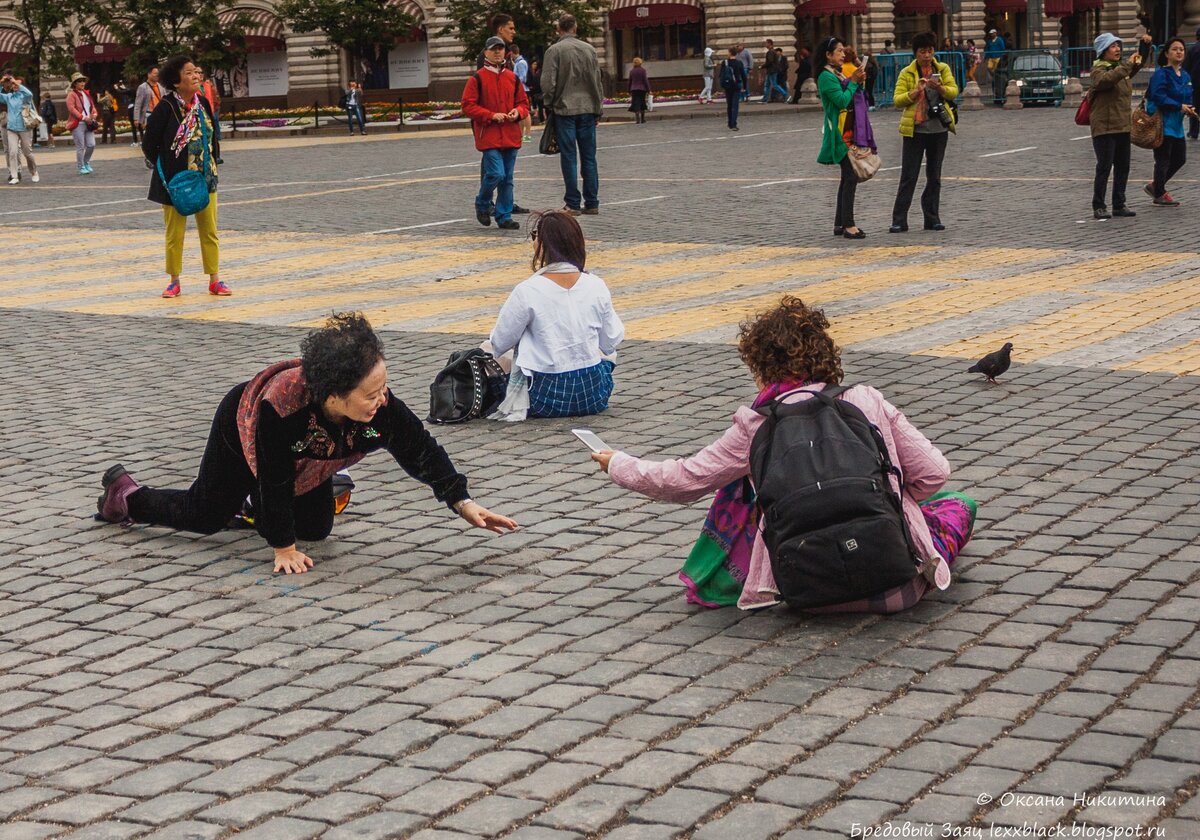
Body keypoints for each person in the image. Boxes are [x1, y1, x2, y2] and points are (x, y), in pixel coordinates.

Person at [589, 296, 976, 613]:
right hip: (896, 588)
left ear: (761, 365)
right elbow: (934, 472)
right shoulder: (864, 399)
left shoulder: (756, 425)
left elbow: (683, 481)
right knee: (958, 504)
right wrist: (890, 495)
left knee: (741, 482)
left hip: (806, 593)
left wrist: (615, 462)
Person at [96, 312, 517, 575]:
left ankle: (248, 510)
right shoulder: (283, 411)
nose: (382, 400)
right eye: (370, 394)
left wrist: (463, 502)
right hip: (242, 433)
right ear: (333, 396)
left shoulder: (379, 407)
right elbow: (275, 478)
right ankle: (126, 496)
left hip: (312, 458)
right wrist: (282, 547)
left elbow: (420, 449)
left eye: (383, 388)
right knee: (204, 515)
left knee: (315, 530)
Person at [487, 210, 624, 420]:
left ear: (544, 244)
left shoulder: (528, 290)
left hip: (545, 398)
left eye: (535, 236)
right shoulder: (596, 285)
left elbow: (500, 342)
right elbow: (610, 341)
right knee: (603, 351)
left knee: (492, 349)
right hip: (594, 395)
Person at [143, 54, 230, 298]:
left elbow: (212, 135)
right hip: (176, 180)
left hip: (205, 176)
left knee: (209, 230)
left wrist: (212, 163)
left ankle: (214, 278)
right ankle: (174, 280)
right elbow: (149, 144)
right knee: (175, 233)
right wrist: (168, 166)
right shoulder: (166, 107)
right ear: (176, 80)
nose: (196, 76)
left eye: (197, 72)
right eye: (189, 72)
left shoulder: (202, 102)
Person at [890, 31, 958, 233]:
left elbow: (955, 91)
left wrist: (941, 89)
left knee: (934, 176)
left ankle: (932, 218)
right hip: (915, 130)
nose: (926, 55)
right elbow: (897, 100)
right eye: (922, 51)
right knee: (909, 176)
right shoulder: (907, 73)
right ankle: (899, 219)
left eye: (929, 51)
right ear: (915, 53)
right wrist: (915, 91)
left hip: (938, 128)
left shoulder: (942, 68)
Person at [461, 36, 529, 232]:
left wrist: (518, 112)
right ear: (486, 52)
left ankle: (504, 216)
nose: (497, 52)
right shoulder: (477, 79)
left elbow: (523, 103)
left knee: (507, 179)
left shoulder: (512, 77)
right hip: (489, 135)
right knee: (496, 174)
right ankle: (482, 204)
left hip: (510, 134)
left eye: (500, 49)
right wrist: (490, 115)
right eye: (493, 49)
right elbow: (468, 105)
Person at [542, 14, 604, 216]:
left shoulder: (554, 51)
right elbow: (597, 82)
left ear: (558, 29)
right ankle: (592, 202)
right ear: (575, 28)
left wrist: (548, 103)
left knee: (569, 157)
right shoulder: (590, 49)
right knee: (589, 157)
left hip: (564, 110)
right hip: (588, 109)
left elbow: (548, 83)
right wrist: (598, 108)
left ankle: (573, 203)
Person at [1089, 32, 1153, 220]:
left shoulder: (1120, 69)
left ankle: (1119, 203)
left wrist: (1144, 47)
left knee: (1123, 167)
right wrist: (1126, 64)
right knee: (1104, 167)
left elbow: (1136, 64)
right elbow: (1105, 81)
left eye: (1118, 46)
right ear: (1103, 51)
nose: (1118, 50)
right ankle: (1099, 205)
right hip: (1104, 127)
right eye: (1113, 46)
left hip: (1122, 126)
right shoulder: (1098, 70)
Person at [816, 36, 868, 239]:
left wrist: (859, 80)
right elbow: (842, 100)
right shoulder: (825, 76)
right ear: (828, 55)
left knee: (847, 177)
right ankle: (849, 224)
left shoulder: (836, 74)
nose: (843, 54)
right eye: (839, 51)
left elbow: (855, 94)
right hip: (838, 133)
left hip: (847, 130)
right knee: (851, 176)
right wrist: (854, 82)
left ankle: (839, 223)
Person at [1144, 38, 1197, 206]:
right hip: (1162, 124)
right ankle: (1159, 193)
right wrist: (1178, 106)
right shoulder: (1161, 74)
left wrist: (1190, 108)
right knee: (1163, 159)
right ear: (1167, 53)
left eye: (1181, 49)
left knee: (1179, 158)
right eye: (1175, 49)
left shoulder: (1185, 75)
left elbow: (1188, 94)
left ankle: (1156, 185)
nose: (1179, 52)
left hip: (1177, 125)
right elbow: (1158, 96)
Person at [0, 73, 39, 184]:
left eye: (17, 84)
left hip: (24, 128)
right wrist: (1, 83)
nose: (15, 85)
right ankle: (14, 176)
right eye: (13, 84)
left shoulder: (25, 97)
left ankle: (34, 171)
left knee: (27, 153)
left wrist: (15, 82)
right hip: (11, 128)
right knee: (12, 152)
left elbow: (29, 93)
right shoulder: (8, 97)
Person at [66, 72, 98, 176]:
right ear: (74, 83)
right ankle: (81, 166)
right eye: (79, 81)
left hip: (88, 123)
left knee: (91, 144)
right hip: (78, 123)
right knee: (80, 146)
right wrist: (83, 117)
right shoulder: (72, 95)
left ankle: (86, 161)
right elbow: (71, 109)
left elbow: (92, 106)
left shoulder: (86, 93)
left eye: (83, 81)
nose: (82, 83)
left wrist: (94, 113)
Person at [197, 65, 224, 163]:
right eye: (197, 73)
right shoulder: (193, 87)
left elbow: (216, 97)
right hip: (200, 115)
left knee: (215, 137)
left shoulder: (208, 85)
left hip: (212, 114)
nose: (200, 75)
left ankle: (216, 156)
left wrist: (215, 110)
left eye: (201, 73)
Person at [721, 46, 748, 130]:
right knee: (735, 105)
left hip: (728, 85)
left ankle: (729, 123)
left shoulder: (724, 62)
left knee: (729, 105)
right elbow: (743, 75)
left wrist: (723, 84)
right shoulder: (739, 63)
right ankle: (734, 124)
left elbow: (721, 75)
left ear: (730, 53)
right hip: (737, 85)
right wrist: (745, 86)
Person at [134, 68, 164, 144]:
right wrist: (136, 118)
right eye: (155, 73)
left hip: (160, 114)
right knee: (150, 135)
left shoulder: (161, 86)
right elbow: (138, 103)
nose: (157, 75)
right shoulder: (142, 87)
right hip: (148, 114)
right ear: (149, 74)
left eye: (158, 73)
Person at [511, 44, 532, 141]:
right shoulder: (518, 63)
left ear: (512, 53)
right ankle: (522, 133)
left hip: (523, 90)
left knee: (526, 113)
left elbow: (523, 77)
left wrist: (515, 82)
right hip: (521, 89)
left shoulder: (521, 63)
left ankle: (527, 134)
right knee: (521, 112)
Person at [1184, 29, 1200, 140]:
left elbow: (1186, 67)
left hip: (1195, 82)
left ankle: (1194, 131)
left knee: (1194, 107)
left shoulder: (1193, 49)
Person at [760, 39, 787, 103]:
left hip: (771, 71)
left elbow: (770, 61)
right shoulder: (773, 52)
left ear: (769, 44)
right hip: (772, 70)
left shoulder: (770, 52)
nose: (765, 45)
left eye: (766, 43)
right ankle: (765, 99)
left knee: (774, 85)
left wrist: (762, 66)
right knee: (767, 85)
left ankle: (786, 95)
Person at [628, 56, 651, 124]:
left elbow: (629, 81)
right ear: (640, 63)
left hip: (634, 89)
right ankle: (643, 119)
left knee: (636, 103)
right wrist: (649, 90)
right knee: (642, 103)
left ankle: (637, 119)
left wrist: (628, 90)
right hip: (642, 89)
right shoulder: (643, 70)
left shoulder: (632, 71)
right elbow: (645, 81)